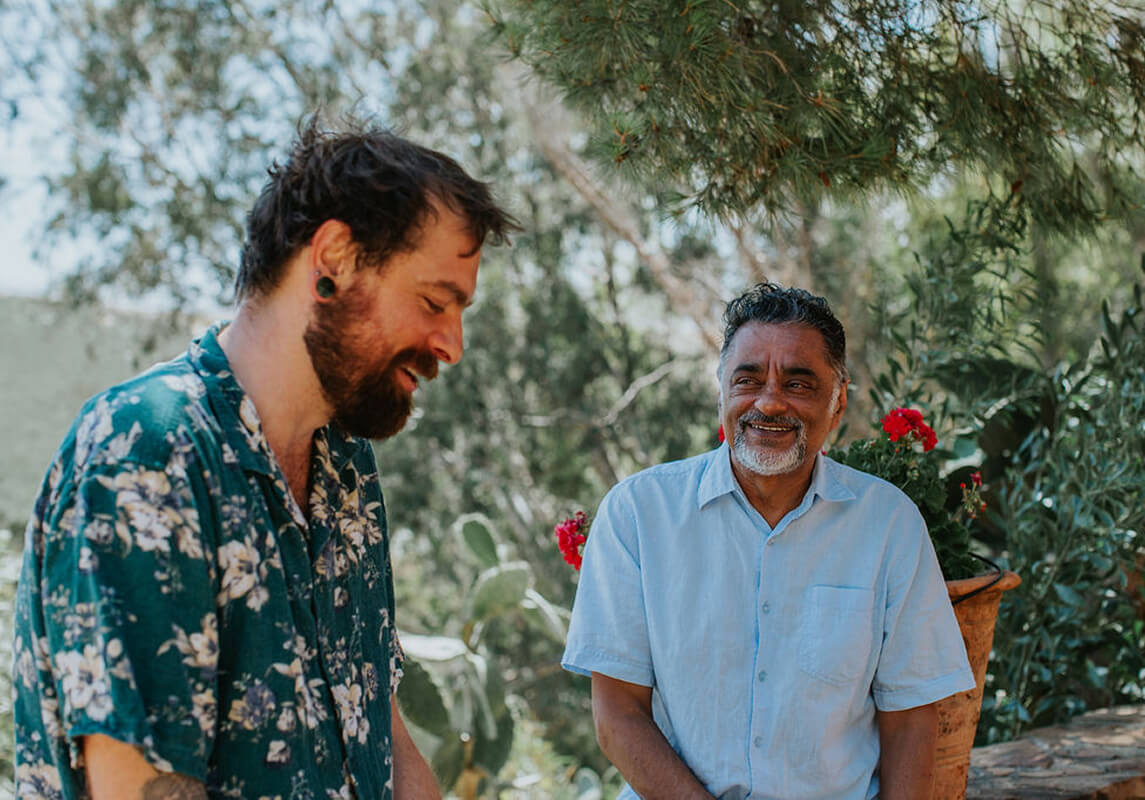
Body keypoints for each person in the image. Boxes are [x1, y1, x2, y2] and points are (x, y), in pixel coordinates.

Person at [12, 117, 517, 800]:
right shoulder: (149, 448)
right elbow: (141, 785)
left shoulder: (346, 466)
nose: (451, 344)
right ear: (334, 258)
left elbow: (380, 732)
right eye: (433, 302)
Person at [562, 283, 976, 800]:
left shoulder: (890, 525)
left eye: (799, 384)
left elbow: (911, 719)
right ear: (721, 395)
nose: (770, 401)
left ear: (838, 401)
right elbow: (617, 715)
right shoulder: (638, 515)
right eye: (748, 379)